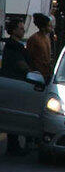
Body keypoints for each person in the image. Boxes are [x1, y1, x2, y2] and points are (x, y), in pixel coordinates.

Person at [2, 18, 30, 156]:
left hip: (15, 83)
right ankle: (13, 145)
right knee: (14, 115)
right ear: (13, 31)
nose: (23, 30)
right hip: (15, 84)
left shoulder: (15, 45)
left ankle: (14, 145)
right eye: (20, 28)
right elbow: (21, 65)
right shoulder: (13, 47)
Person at [26, 13, 54, 83]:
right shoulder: (34, 39)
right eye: (49, 26)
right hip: (38, 73)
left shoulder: (47, 38)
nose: (51, 28)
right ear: (43, 27)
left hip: (47, 72)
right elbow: (29, 56)